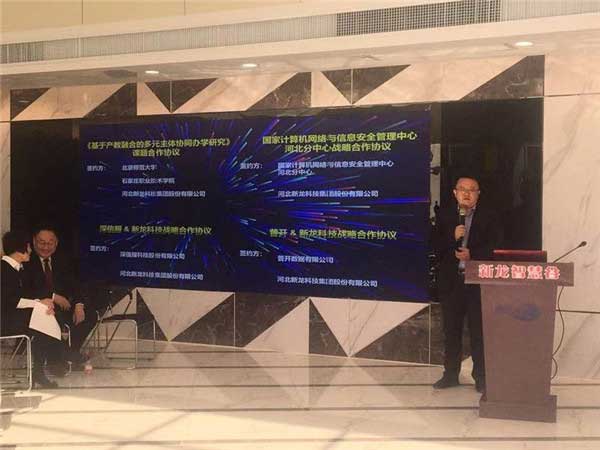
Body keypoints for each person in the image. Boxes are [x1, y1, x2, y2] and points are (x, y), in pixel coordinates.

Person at [432, 175, 502, 393]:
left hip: (477, 282)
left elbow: (497, 246)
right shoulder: (444, 215)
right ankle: (450, 374)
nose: (466, 193)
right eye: (462, 189)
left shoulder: (490, 216)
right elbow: (434, 245)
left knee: (478, 332)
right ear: (455, 193)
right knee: (451, 330)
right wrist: (450, 237)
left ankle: (480, 376)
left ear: (478, 194)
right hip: (451, 282)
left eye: (472, 190)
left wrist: (474, 254)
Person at [22, 226, 96, 368]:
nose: (46, 247)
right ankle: (62, 356)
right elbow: (28, 289)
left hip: (63, 307)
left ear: (56, 244)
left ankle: (68, 353)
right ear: (34, 241)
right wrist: (53, 296)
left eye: (50, 243)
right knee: (54, 317)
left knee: (90, 315)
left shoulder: (63, 260)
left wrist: (79, 305)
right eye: (42, 242)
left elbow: (75, 284)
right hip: (41, 308)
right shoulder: (26, 260)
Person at [1, 230, 59, 388]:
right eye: (28, 247)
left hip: (15, 318)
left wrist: (43, 303)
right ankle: (61, 357)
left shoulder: (18, 269)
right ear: (20, 249)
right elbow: (10, 301)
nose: (31, 250)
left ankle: (42, 369)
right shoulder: (4, 270)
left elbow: (28, 295)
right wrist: (39, 304)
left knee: (43, 318)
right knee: (42, 323)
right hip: (5, 321)